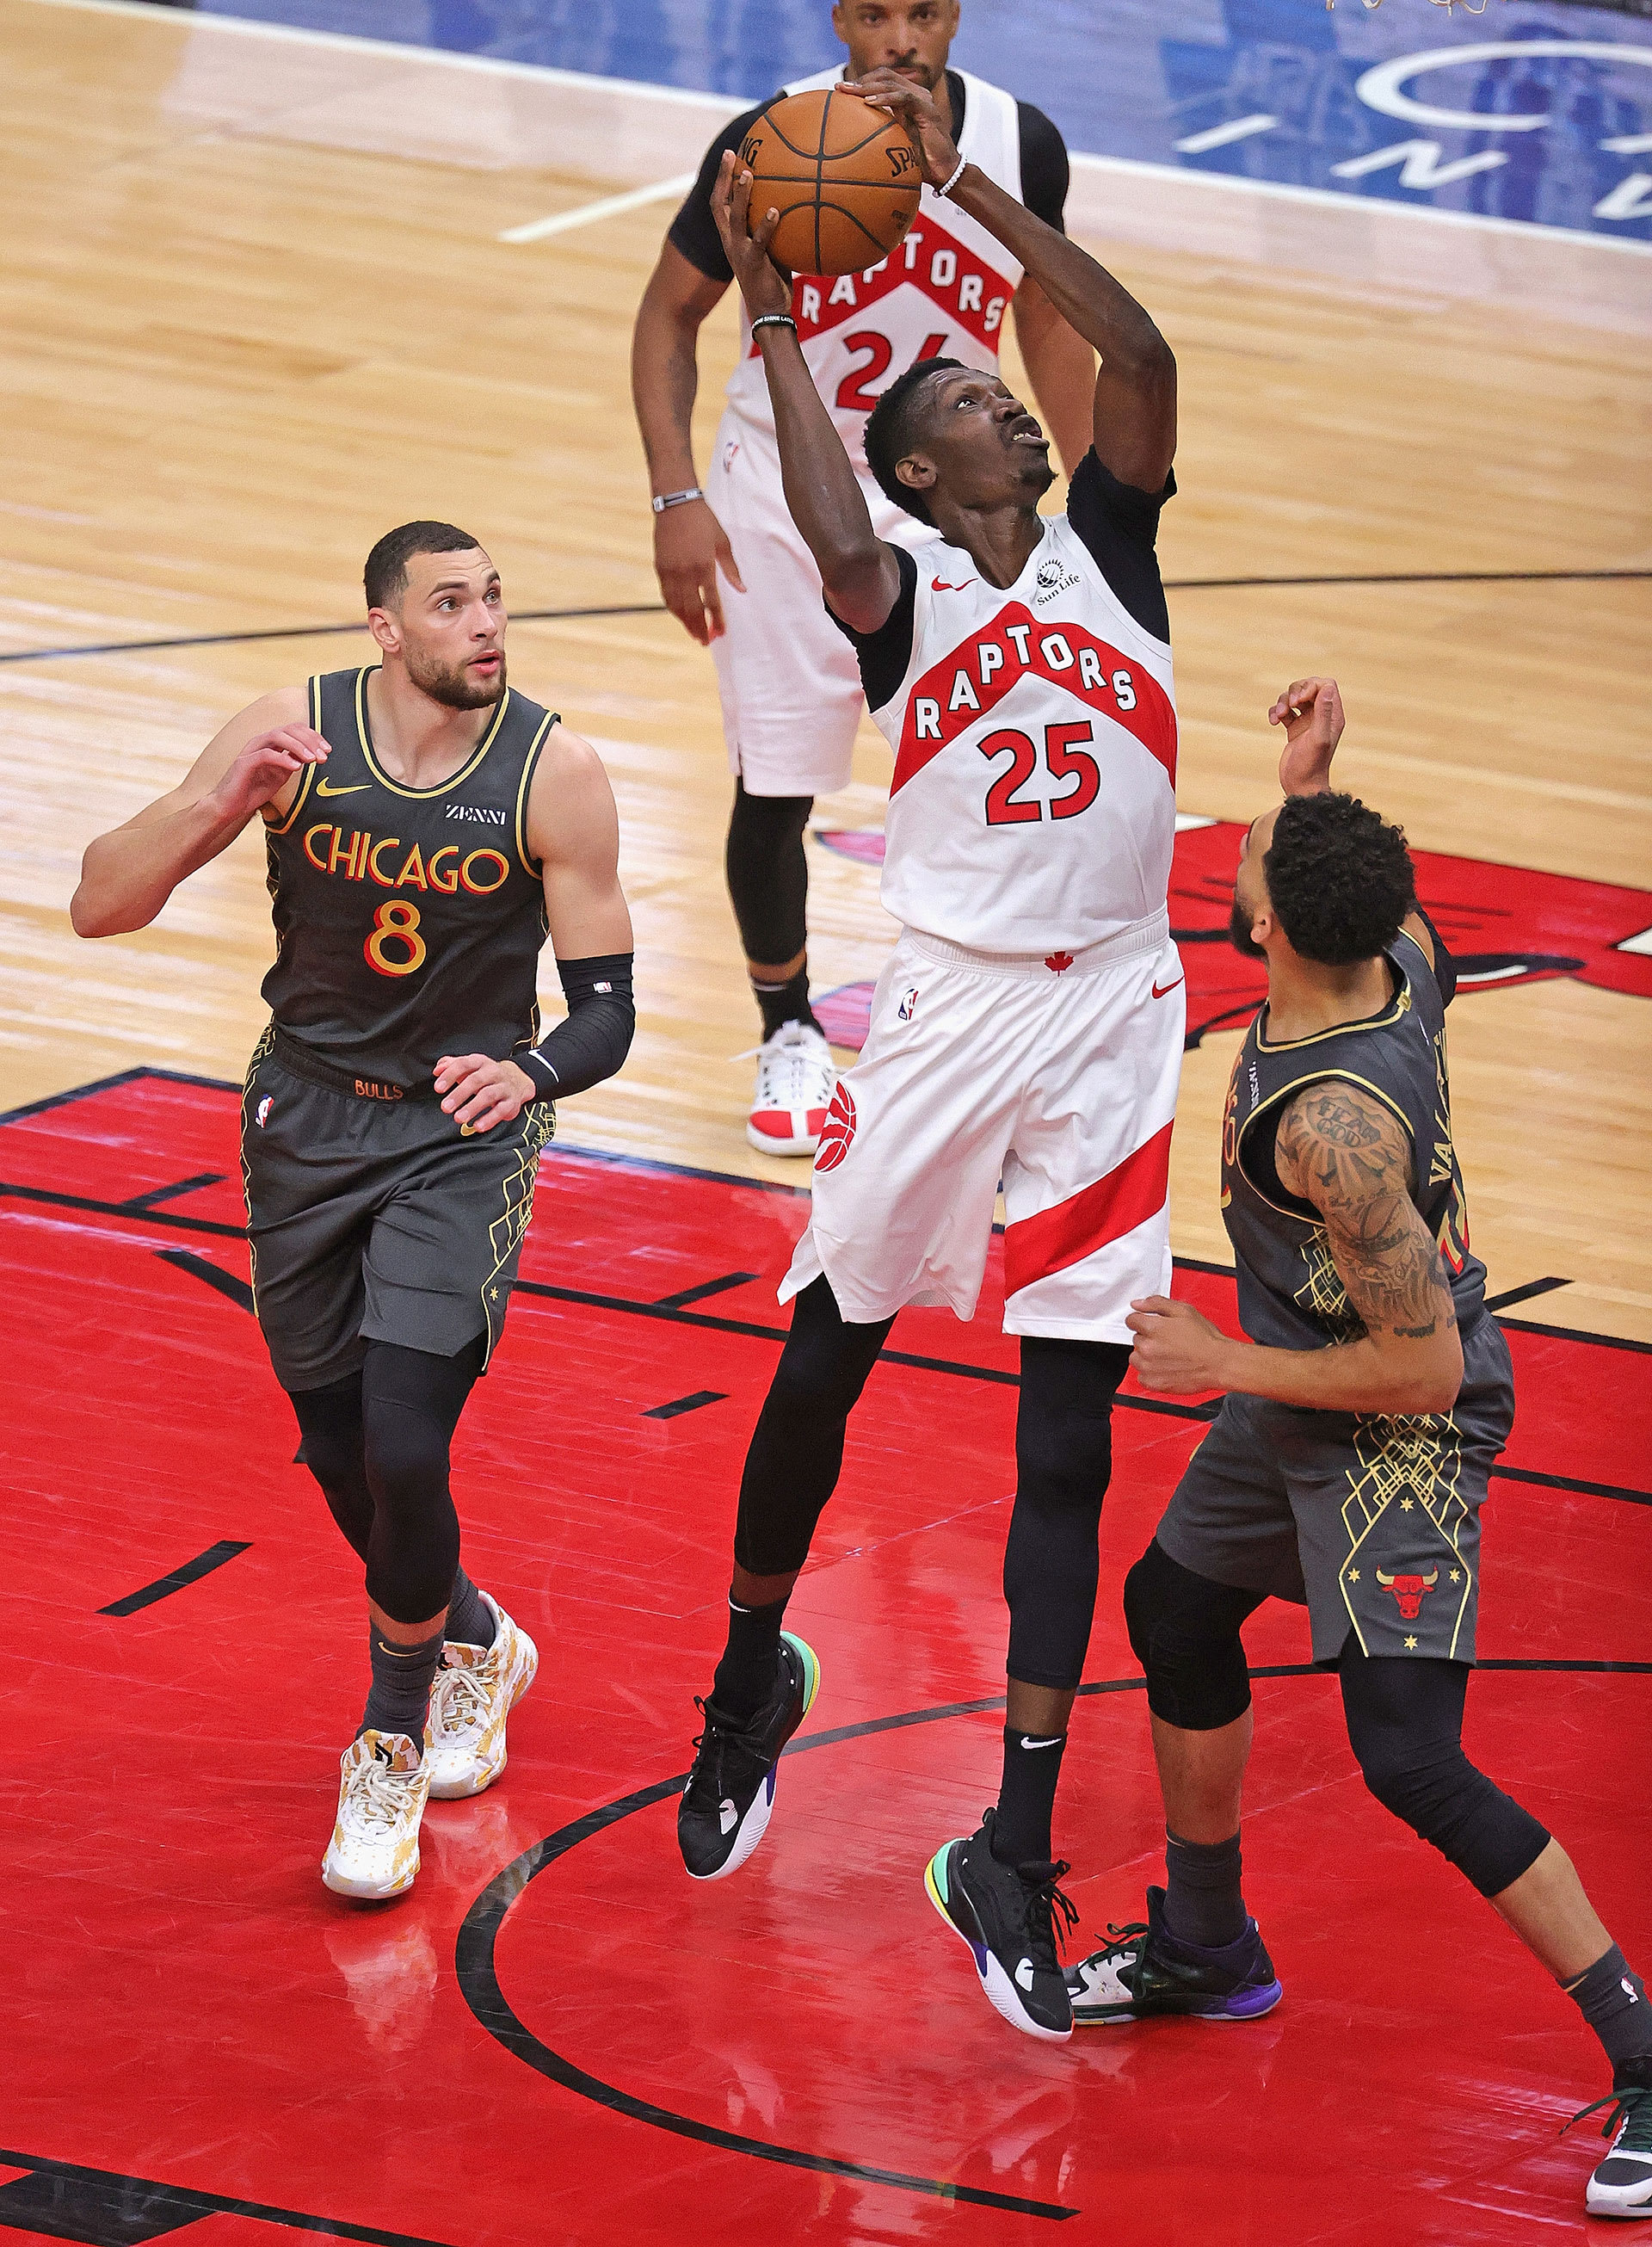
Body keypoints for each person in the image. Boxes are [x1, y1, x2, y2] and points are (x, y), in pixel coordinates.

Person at [674, 72, 1183, 2048]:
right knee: (834, 1341)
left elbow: (1133, 352)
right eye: (974, 400)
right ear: (923, 461)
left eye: (1002, 392)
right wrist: (782, 323)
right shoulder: (904, 588)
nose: (1007, 402)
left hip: (1117, 1012)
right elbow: (819, 502)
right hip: (960, 1002)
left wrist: (974, 190)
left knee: (1069, 1438)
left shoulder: (1115, 545)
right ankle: (746, 1677)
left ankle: (1015, 1837)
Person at [1062, 676, 1652, 2223]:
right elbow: (1318, 869)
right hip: (1312, 1382)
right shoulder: (1395, 952)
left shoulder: (1337, 1128)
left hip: (1401, 1414)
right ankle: (1205, 1946)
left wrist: (1219, 1361)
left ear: (1266, 924)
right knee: (1176, 1610)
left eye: (1258, 845)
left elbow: (1425, 1362)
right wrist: (1309, 776)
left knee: (1406, 1754)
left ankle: (1644, 2054)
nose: (1246, 849)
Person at [71, 522, 635, 1903]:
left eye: (494, 599)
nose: (485, 624)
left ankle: (385, 1745)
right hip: (305, 1120)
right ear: (386, 629)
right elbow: (101, 906)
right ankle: (475, 1639)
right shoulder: (292, 733)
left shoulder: (553, 768)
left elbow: (610, 1008)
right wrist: (225, 805)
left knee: (401, 1441)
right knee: (335, 1449)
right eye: (451, 605)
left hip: (458, 1132)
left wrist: (531, 1070)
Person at [631, 0, 1094, 1157]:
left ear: (953, 18)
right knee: (777, 784)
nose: (901, 37)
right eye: (877, 12)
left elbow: (1049, 315)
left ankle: (989, 1040)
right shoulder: (770, 136)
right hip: (786, 496)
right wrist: (676, 496)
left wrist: (1099, 512)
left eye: (923, 12)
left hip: (955, 499)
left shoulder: (1019, 142)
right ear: (841, 16)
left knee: (987, 777)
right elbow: (667, 315)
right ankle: (789, 1031)